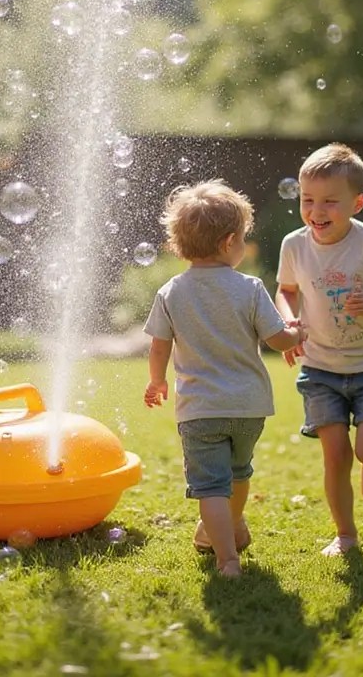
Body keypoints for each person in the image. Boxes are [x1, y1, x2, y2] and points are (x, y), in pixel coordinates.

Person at [143, 179, 304, 578]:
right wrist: (297, 334)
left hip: (200, 410)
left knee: (211, 486)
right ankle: (228, 528)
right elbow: (277, 337)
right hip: (249, 407)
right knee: (238, 474)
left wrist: (157, 381)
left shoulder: (170, 292)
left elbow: (159, 346)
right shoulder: (248, 287)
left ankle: (226, 558)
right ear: (229, 241)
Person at [275, 142, 363, 557]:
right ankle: (346, 534)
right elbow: (286, 290)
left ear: (358, 202)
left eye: (330, 202)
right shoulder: (294, 245)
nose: (317, 211)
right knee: (335, 456)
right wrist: (288, 320)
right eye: (308, 200)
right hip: (319, 369)